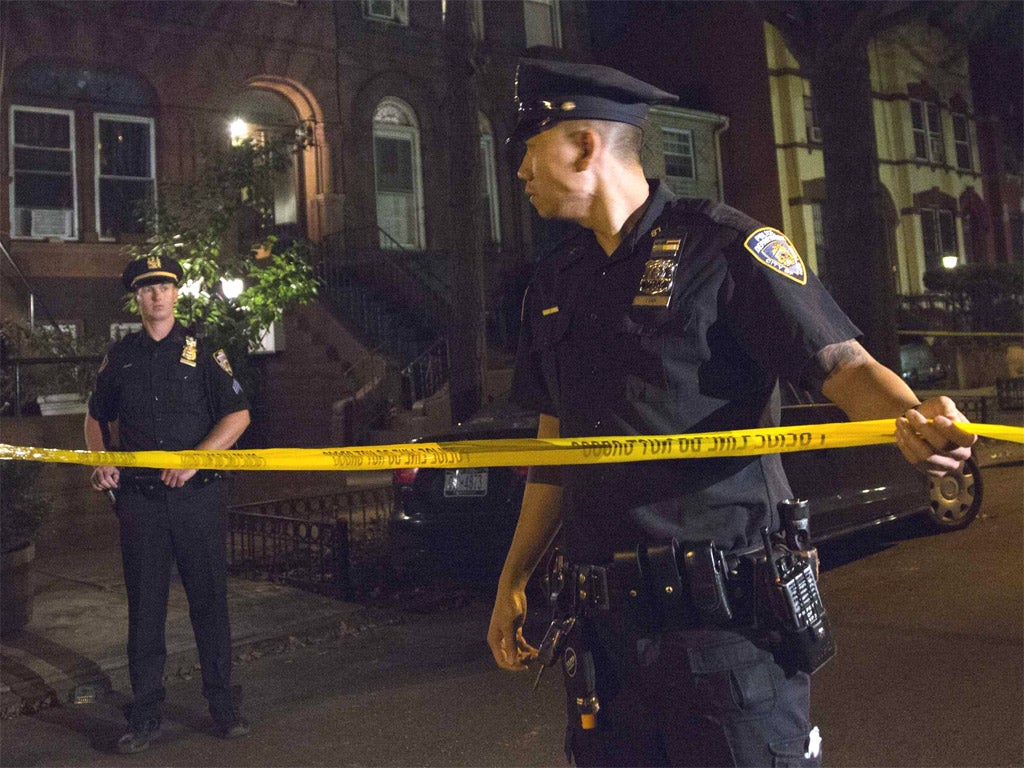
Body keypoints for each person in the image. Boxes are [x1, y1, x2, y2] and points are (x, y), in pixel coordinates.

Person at [487, 59, 976, 768]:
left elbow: (843, 365)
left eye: (526, 149)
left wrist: (917, 420)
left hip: (723, 631)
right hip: (605, 638)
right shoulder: (555, 283)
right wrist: (514, 577)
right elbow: (555, 441)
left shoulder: (726, 247)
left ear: (585, 146)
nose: (520, 172)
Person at [84, 255, 252, 754]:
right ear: (136, 298)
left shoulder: (204, 352)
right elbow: (95, 418)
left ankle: (223, 707)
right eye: (147, 288)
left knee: (209, 604)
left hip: (195, 500)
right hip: (139, 502)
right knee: (146, 608)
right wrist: (101, 460)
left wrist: (198, 460)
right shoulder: (121, 358)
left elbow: (238, 415)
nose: (156, 295)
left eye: (164, 286)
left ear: (177, 294)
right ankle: (146, 716)